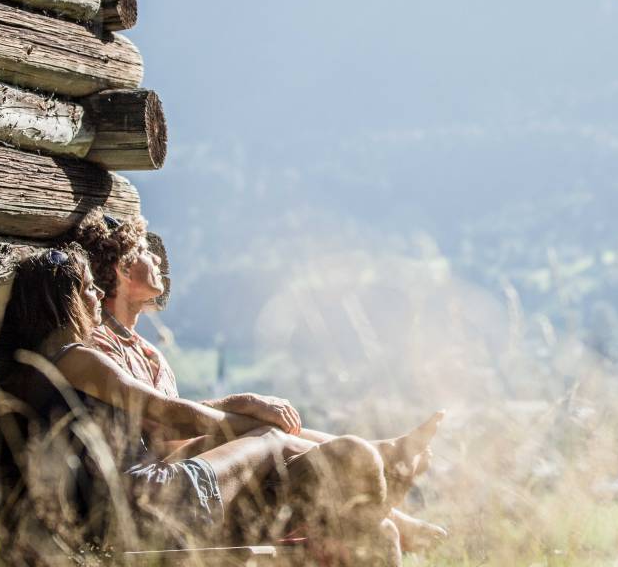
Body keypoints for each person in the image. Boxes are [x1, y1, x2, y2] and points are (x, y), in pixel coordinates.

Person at [0, 245, 439, 567]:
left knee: (329, 472)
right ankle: (379, 486)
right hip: (141, 503)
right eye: (85, 290)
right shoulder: (77, 357)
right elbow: (168, 413)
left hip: (119, 510)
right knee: (282, 441)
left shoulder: (34, 373)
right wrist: (248, 419)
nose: (93, 299)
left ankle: (377, 497)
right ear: (64, 299)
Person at [71, 209, 448, 549]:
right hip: (159, 485)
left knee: (274, 433)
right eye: (143, 251)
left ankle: (381, 470)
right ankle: (381, 470)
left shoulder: (148, 351)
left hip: (190, 470)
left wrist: (242, 417)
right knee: (270, 434)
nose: (156, 258)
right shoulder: (101, 347)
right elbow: (158, 426)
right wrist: (242, 409)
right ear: (122, 269)